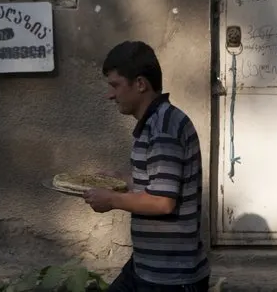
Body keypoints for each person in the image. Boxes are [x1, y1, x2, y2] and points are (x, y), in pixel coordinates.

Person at [83, 41, 211, 292]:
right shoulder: (155, 122)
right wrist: (121, 181)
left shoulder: (163, 128)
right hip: (147, 266)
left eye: (115, 85)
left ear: (140, 84)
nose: (110, 95)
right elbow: (161, 182)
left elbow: (162, 201)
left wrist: (110, 199)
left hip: (170, 277)